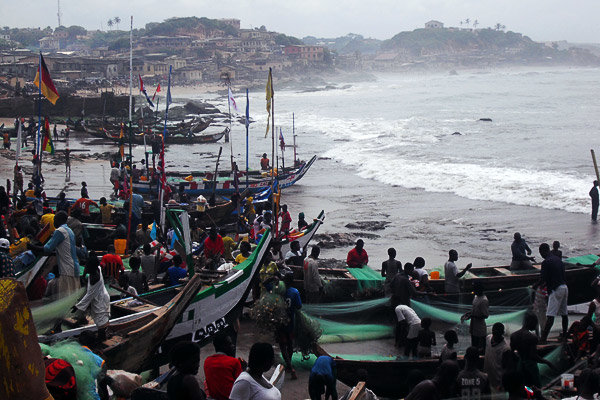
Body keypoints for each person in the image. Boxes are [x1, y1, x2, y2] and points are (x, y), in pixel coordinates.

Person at [33, 211, 80, 297]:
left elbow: (47, 249)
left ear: (59, 220)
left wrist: (31, 247)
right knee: (73, 296)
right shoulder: (69, 231)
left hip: (67, 270)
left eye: (55, 220)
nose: (53, 222)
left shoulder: (60, 231)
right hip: (74, 267)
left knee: (65, 298)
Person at [510, 312, 555, 388]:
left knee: (522, 388)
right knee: (535, 387)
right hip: (530, 367)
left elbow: (512, 353)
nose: (536, 325)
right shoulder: (532, 337)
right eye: (535, 323)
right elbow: (533, 356)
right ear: (531, 322)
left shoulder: (514, 335)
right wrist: (547, 362)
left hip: (520, 366)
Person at [72, 252, 110, 340]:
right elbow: (86, 269)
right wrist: (84, 275)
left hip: (100, 300)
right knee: (100, 319)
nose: (86, 268)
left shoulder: (95, 279)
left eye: (87, 267)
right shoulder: (98, 268)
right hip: (100, 295)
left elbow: (89, 295)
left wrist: (77, 306)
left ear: (91, 268)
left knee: (101, 321)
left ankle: (101, 340)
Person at [539, 242, 568, 343]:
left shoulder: (546, 262)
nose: (541, 255)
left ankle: (543, 339)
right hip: (564, 287)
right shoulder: (558, 259)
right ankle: (564, 335)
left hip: (556, 289)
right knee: (564, 313)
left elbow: (543, 279)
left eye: (541, 253)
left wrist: (534, 286)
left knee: (550, 315)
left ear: (544, 251)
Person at [203, 334, 243, 400]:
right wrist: (244, 369)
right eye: (230, 344)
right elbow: (240, 384)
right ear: (223, 346)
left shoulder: (207, 361)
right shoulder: (234, 362)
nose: (233, 346)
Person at [278, 272, 301, 379]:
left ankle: (289, 366)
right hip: (290, 321)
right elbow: (299, 306)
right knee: (290, 344)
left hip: (280, 321)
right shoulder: (295, 292)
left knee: (282, 345)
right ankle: (289, 363)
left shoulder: (279, 291)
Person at [462, 280, 489, 352]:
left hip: (480, 328)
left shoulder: (484, 300)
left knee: (480, 349)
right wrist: (469, 313)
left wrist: (472, 316)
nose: (473, 290)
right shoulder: (476, 297)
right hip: (473, 326)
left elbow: (485, 315)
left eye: (475, 288)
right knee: (474, 345)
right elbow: (475, 309)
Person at [484, 323, 510, 393]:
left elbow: (506, 368)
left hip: (498, 382)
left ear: (502, 333)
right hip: (487, 378)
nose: (495, 334)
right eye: (494, 332)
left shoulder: (505, 348)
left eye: (497, 333)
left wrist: (502, 383)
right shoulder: (488, 338)